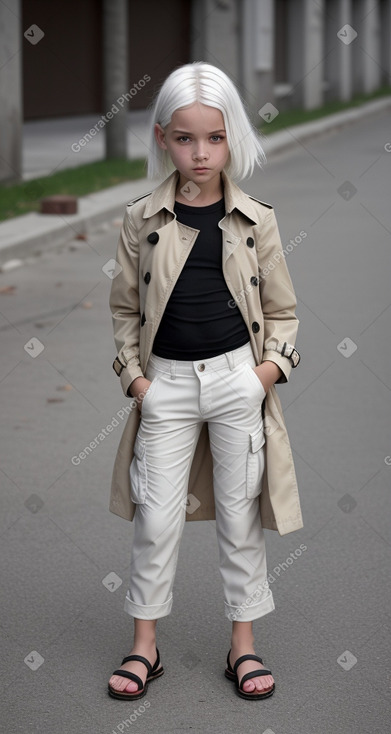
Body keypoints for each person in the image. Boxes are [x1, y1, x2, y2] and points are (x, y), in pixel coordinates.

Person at [107, 61, 302, 702]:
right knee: (155, 521)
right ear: (163, 137)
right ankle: (144, 647)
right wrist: (138, 382)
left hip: (235, 383)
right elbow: (124, 310)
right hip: (164, 386)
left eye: (214, 138)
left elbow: (282, 312)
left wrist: (264, 376)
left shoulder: (256, 219)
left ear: (232, 137)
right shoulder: (141, 218)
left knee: (239, 518)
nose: (200, 152)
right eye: (185, 138)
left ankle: (242, 647)